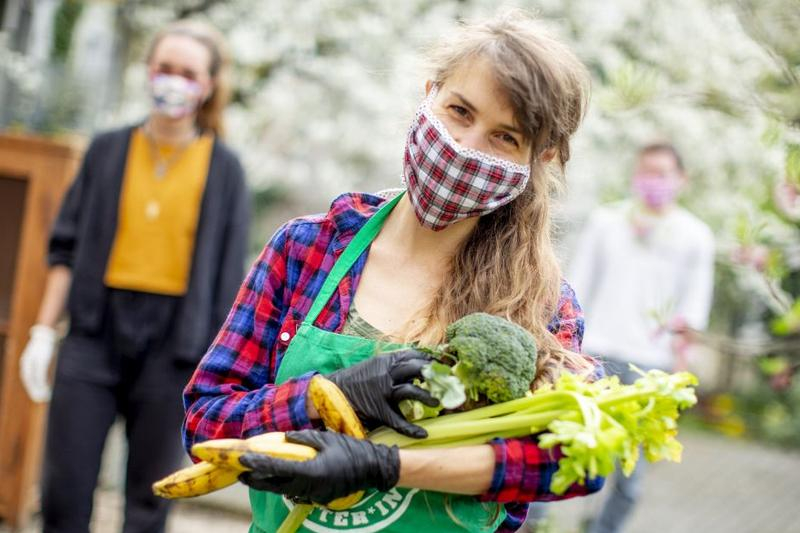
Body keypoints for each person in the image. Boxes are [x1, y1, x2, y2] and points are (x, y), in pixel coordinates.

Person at [183, 11, 603, 533]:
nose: (466, 146)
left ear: (539, 159)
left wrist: (385, 466)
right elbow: (206, 422)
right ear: (429, 94)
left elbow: (573, 461)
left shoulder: (540, 301)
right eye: (459, 111)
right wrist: (325, 395)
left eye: (505, 136)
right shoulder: (307, 250)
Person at [18, 20, 250, 533]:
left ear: (209, 85)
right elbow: (65, 248)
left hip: (176, 347)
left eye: (188, 73)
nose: (174, 81)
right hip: (94, 332)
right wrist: (42, 332)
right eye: (165, 68)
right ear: (147, 71)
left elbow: (231, 283)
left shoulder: (226, 171)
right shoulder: (106, 150)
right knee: (64, 490)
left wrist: (221, 373)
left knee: (151, 499)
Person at [566, 142, 715, 533]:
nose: (652, 180)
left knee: (630, 476)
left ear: (682, 179)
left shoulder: (695, 235)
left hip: (652, 365)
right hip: (596, 354)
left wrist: (679, 371)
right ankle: (535, 522)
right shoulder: (606, 221)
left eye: (661, 173)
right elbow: (577, 287)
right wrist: (569, 350)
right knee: (565, 449)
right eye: (645, 171)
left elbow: (693, 308)